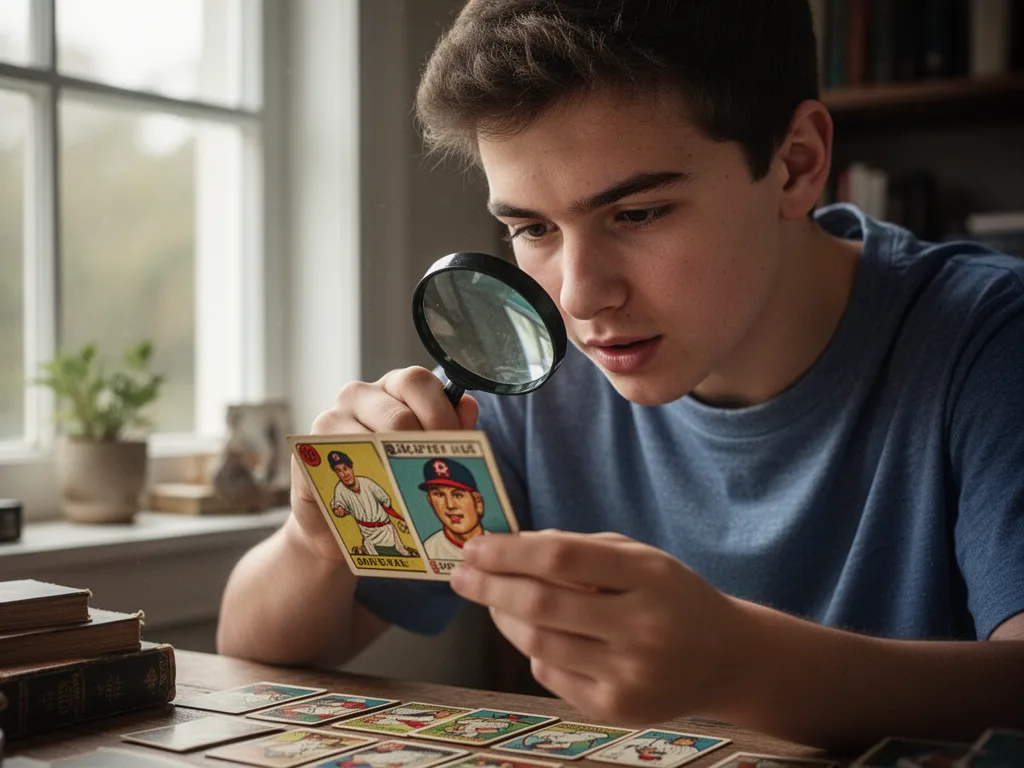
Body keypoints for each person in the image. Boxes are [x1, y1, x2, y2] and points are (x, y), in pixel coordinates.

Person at [216, 0, 1024, 750]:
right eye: (532, 228)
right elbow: (253, 650)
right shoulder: (538, 374)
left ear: (797, 165)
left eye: (636, 215)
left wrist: (740, 666)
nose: (578, 295)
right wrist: (313, 541)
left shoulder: (988, 339)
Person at [327, 450, 417, 558]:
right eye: (339, 471)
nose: (344, 474)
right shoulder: (339, 490)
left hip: (386, 531)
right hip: (367, 534)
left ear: (351, 468)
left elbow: (387, 506)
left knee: (402, 555)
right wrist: (339, 512)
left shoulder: (367, 483)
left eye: (345, 468)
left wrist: (401, 518)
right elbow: (340, 510)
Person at [418, 458, 487, 561]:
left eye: (458, 495)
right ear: (430, 501)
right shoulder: (427, 551)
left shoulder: (505, 543)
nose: (450, 505)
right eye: (439, 494)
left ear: (478, 503)